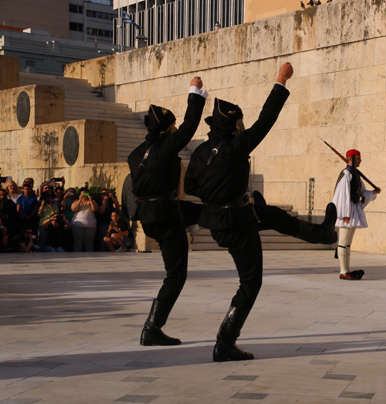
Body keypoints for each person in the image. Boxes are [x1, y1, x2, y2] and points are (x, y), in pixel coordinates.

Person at [184, 62, 337, 362]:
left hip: (224, 219)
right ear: (232, 126)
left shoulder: (201, 153)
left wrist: (215, 196)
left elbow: (190, 185)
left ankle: (323, 232)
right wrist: (280, 80)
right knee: (251, 282)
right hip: (237, 224)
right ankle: (225, 342)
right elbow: (266, 119)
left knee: (274, 216)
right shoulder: (236, 147)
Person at [127, 76, 207, 346]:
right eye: (172, 126)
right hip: (166, 215)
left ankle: (224, 220)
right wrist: (194, 91)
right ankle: (152, 328)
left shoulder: (135, 154)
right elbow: (190, 126)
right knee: (176, 275)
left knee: (204, 212)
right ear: (165, 129)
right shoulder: (164, 148)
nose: (175, 129)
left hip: (153, 214)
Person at [332, 149, 381, 280]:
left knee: (348, 243)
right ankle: (343, 272)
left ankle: (347, 270)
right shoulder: (346, 175)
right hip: (346, 213)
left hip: (352, 211)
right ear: (351, 159)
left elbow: (361, 193)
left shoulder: (355, 175)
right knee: (342, 242)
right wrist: (344, 215)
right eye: (358, 158)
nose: (360, 160)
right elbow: (342, 196)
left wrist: (373, 193)